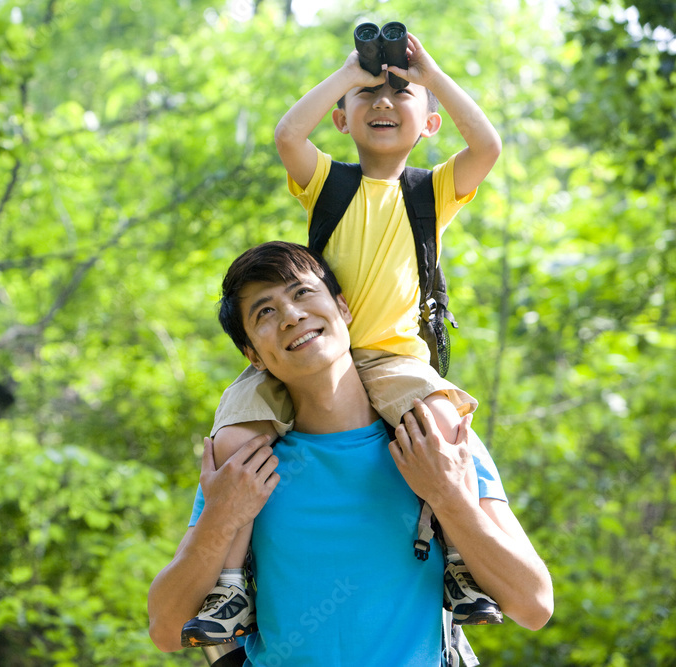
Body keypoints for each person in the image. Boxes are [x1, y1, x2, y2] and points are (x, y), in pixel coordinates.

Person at [181, 31, 506, 645]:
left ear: (430, 121)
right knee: (234, 438)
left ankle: (462, 564)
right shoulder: (329, 183)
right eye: (367, 97)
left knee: (440, 425)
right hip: (306, 350)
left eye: (400, 94)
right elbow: (286, 136)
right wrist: (349, 72)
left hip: (392, 357)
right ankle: (229, 589)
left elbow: (487, 144)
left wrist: (430, 73)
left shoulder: (429, 193)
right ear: (343, 116)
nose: (383, 103)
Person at [147, 242, 552, 665]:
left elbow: (533, 605)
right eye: (264, 312)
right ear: (252, 355)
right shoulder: (246, 465)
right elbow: (166, 629)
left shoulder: (436, 444)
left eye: (302, 292)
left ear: (342, 308)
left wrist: (449, 496)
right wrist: (220, 517)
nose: (291, 315)